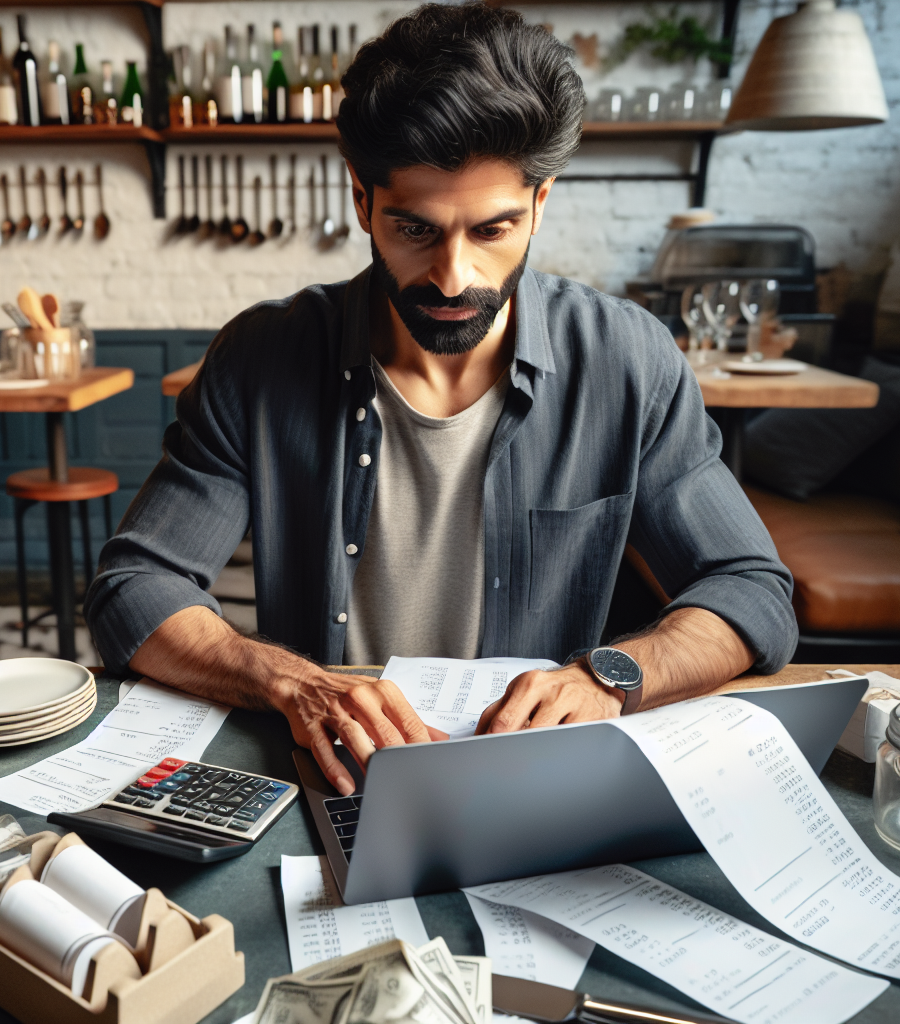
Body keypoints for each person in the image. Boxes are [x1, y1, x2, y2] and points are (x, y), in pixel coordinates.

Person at [86, 2, 797, 796]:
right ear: (363, 202)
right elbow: (135, 588)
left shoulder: (628, 361)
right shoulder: (261, 357)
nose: (456, 277)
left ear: (540, 204)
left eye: (492, 230)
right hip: (338, 777)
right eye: (416, 230)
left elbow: (750, 590)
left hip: (537, 784)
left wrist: (610, 677)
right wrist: (292, 683)